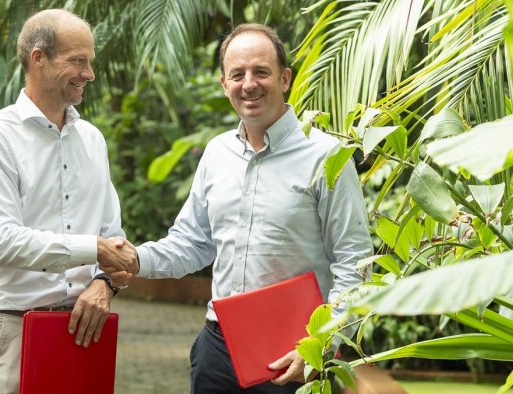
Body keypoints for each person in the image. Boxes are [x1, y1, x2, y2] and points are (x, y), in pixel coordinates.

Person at [105, 23, 373, 393]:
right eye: (238, 74)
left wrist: (324, 344)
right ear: (224, 84)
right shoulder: (216, 154)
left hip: (294, 354)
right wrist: (136, 259)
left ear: (285, 79)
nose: (249, 84)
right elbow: (194, 242)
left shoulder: (326, 157)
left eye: (261, 71)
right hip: (217, 350)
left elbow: (354, 261)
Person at [0, 9, 136, 393]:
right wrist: (94, 249)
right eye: (78, 61)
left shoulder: (93, 139)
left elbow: (112, 234)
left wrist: (104, 284)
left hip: (83, 331)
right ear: (38, 58)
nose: (89, 73)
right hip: (9, 332)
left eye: (90, 62)